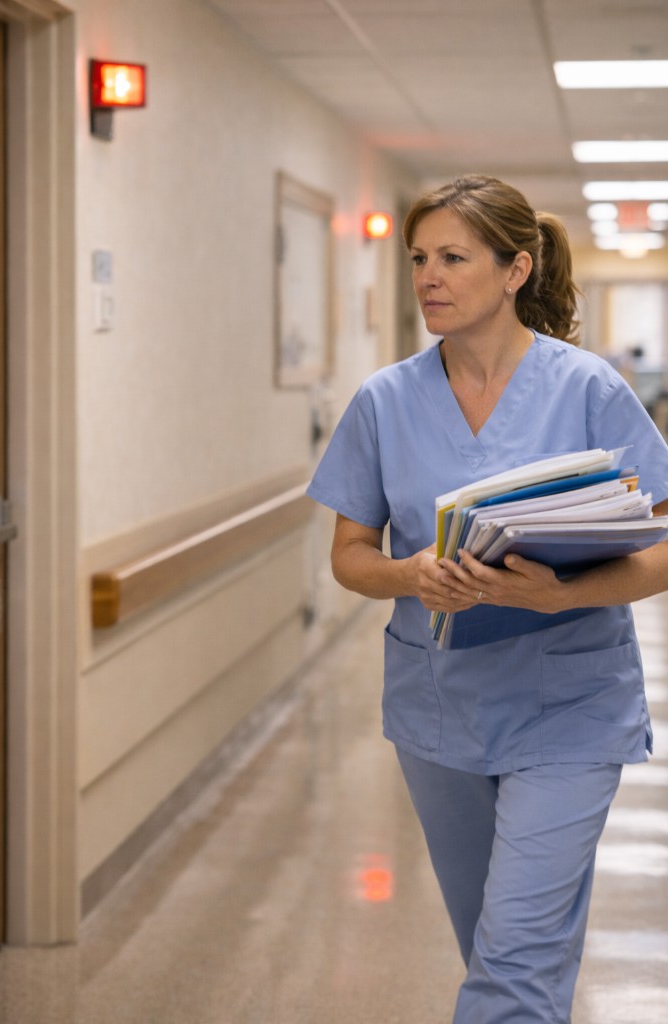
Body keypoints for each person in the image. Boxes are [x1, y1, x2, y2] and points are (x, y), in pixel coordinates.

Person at [306, 174, 668, 1024]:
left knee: (514, 964)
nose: (429, 276)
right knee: (495, 947)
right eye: (420, 258)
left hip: (570, 705)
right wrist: (411, 574)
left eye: (454, 258)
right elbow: (351, 559)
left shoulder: (590, 390)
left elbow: (661, 549)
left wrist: (555, 595)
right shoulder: (384, 402)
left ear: (516, 270)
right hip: (441, 710)